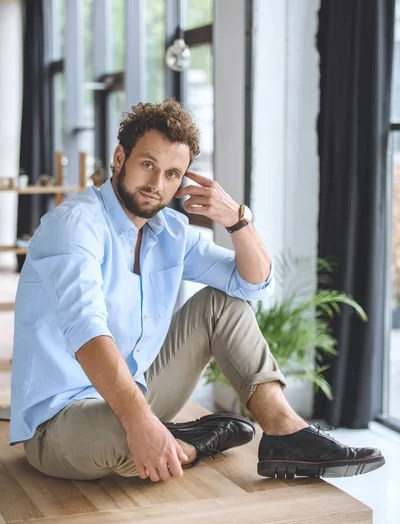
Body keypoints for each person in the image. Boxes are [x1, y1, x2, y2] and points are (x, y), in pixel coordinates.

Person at [10, 99, 385, 483]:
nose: (157, 185)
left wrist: (237, 221)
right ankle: (185, 442)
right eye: (148, 165)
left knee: (222, 304)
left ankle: (285, 431)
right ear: (120, 158)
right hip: (57, 424)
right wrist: (141, 422)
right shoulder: (74, 226)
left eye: (172, 174)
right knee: (127, 439)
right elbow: (87, 331)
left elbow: (251, 284)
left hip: (135, 393)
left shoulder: (171, 232)